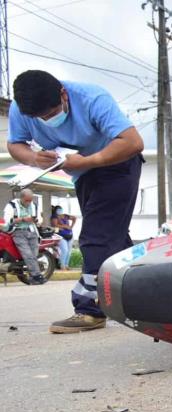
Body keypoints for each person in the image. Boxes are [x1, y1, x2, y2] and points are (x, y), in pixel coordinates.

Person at [7, 70, 144, 333]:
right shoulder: (20, 109)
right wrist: (34, 158)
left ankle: (89, 309)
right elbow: (15, 144)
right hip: (81, 172)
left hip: (117, 164)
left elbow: (133, 142)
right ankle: (145, 293)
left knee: (96, 236)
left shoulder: (92, 98)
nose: (47, 121)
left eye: (51, 112)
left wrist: (90, 161)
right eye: (39, 118)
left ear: (63, 94)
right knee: (113, 238)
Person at [2, 188, 44, 284]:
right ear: (21, 198)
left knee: (33, 255)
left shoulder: (34, 205)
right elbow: (8, 221)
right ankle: (37, 276)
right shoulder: (12, 206)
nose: (29, 202)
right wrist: (23, 219)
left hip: (32, 231)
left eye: (30, 200)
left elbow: (39, 219)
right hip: (18, 232)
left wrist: (37, 221)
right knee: (28, 255)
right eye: (27, 200)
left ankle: (35, 276)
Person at [51, 205, 76, 270]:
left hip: (70, 235)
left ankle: (66, 265)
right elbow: (55, 225)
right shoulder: (54, 216)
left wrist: (71, 226)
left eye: (60, 209)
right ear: (55, 210)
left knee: (69, 251)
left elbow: (74, 218)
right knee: (65, 250)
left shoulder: (65, 215)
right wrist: (64, 226)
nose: (60, 211)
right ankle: (62, 265)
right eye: (58, 209)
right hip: (61, 236)